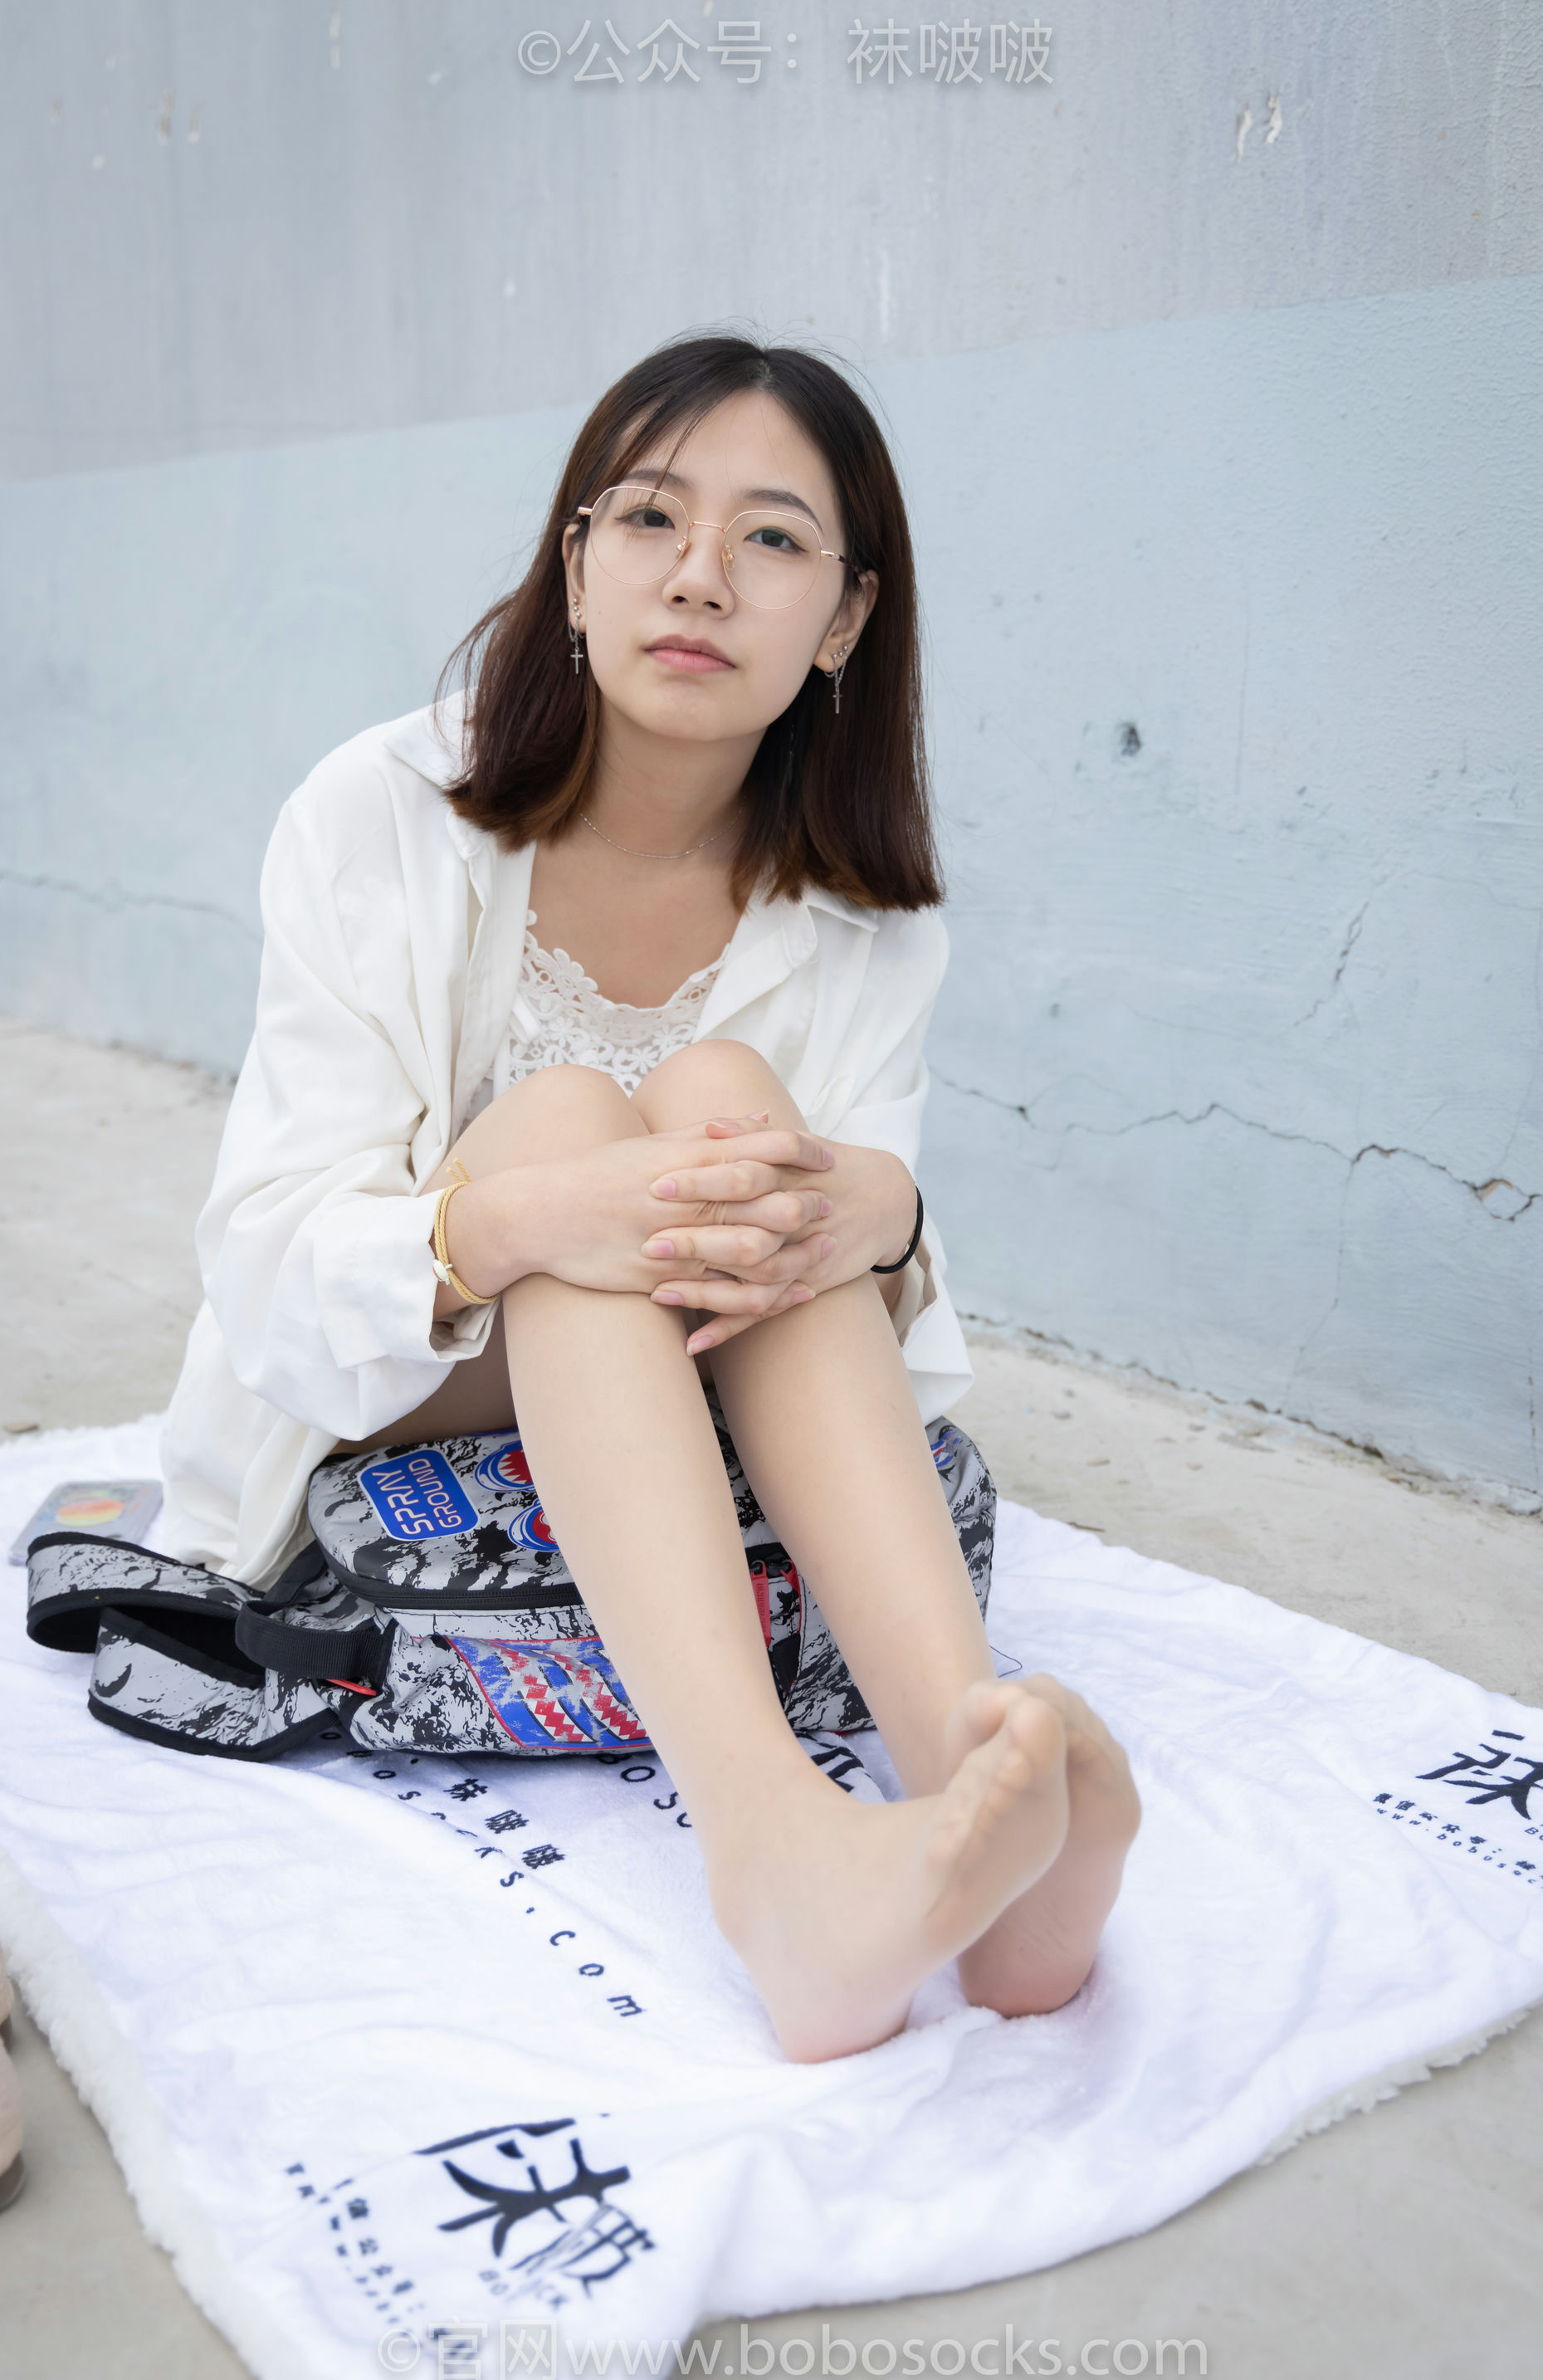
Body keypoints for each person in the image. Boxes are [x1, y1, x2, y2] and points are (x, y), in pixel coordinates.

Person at [160, 335, 1140, 2063]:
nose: (699, 577)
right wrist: (544, 1216)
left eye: (772, 539)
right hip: (382, 1385)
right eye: (648, 519)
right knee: (562, 1126)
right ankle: (771, 1852)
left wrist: (887, 1215)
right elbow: (265, 1264)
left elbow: (858, 1304)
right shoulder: (378, 816)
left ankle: (970, 1778)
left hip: (688, 1364)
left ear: (844, 617)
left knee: (735, 1121)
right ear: (575, 563)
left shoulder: (869, 919)